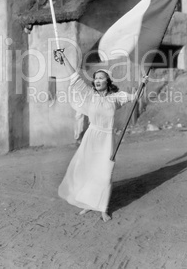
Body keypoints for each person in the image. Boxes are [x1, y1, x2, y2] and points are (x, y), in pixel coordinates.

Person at [57, 50, 147, 222]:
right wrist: (64, 59)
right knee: (89, 170)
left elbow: (135, 97)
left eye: (100, 78)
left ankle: (103, 209)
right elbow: (75, 77)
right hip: (92, 136)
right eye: (95, 78)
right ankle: (88, 204)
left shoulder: (116, 98)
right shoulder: (90, 95)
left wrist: (143, 82)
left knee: (106, 173)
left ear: (108, 81)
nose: (97, 80)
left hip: (107, 139)